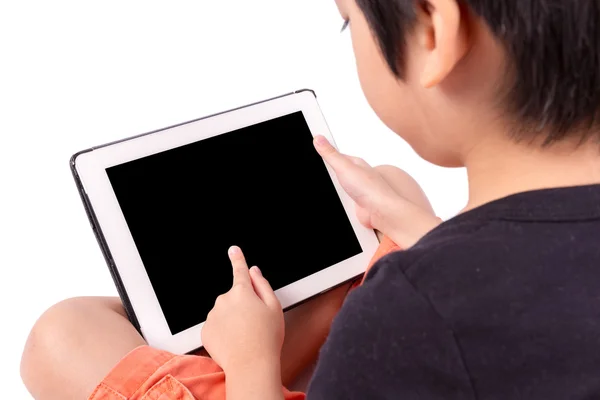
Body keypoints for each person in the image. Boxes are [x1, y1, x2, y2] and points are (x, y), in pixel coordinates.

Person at [21, 0, 600, 398]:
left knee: (60, 335)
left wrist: (251, 363)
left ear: (431, 29)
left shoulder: (406, 317)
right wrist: (427, 233)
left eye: (349, 21)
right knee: (388, 187)